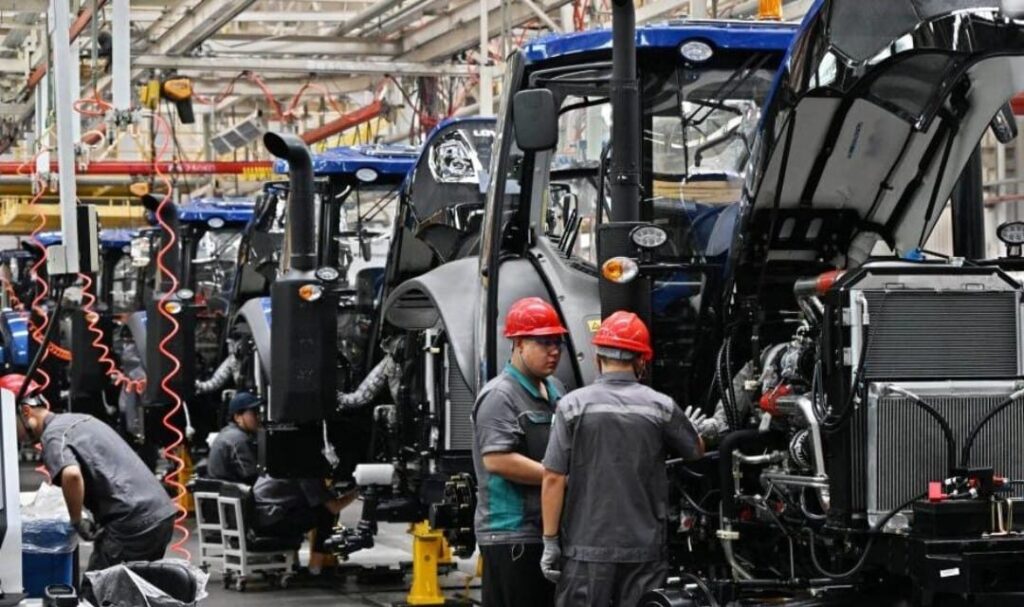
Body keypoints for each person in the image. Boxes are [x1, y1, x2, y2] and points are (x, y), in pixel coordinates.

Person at [540, 311, 705, 607]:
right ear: (641, 360)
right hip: (643, 551)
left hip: (585, 551)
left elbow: (552, 477)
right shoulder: (662, 407)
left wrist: (550, 542)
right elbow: (696, 451)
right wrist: (700, 429)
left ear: (597, 358)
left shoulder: (571, 406)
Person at [3, 373, 177, 572]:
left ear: (26, 411)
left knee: (99, 587)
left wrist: (76, 519)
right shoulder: (78, 420)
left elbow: (71, 475)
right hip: (159, 512)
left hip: (133, 521)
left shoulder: (53, 437)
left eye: (9, 423)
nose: (11, 433)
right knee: (133, 585)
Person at [471, 296, 568, 607]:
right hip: (511, 533)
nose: (554, 351)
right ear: (519, 343)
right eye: (544, 342)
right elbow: (497, 460)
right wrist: (558, 478)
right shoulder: (501, 395)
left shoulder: (556, 390)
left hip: (545, 529)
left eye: (558, 342)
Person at [252, 475, 355, 575]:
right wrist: (355, 493)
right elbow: (334, 507)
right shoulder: (306, 473)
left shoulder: (279, 467)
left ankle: (295, 561)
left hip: (258, 518)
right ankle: (315, 567)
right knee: (326, 513)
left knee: (306, 508)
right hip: (270, 521)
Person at [207, 391, 261, 484]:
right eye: (253, 413)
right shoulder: (238, 438)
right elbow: (250, 476)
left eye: (258, 412)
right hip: (230, 489)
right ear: (237, 417)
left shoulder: (228, 431)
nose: (258, 417)